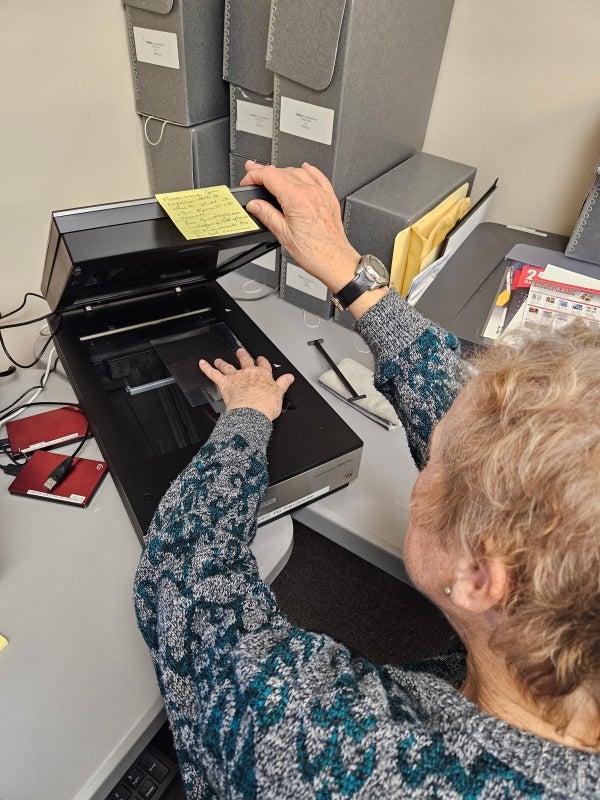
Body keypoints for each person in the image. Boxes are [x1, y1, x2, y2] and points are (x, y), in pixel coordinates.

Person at [134, 162, 600, 798]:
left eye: (434, 457)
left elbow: (186, 581)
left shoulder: (338, 758)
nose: (423, 458)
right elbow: (484, 424)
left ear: (479, 578)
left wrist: (245, 416)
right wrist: (352, 276)